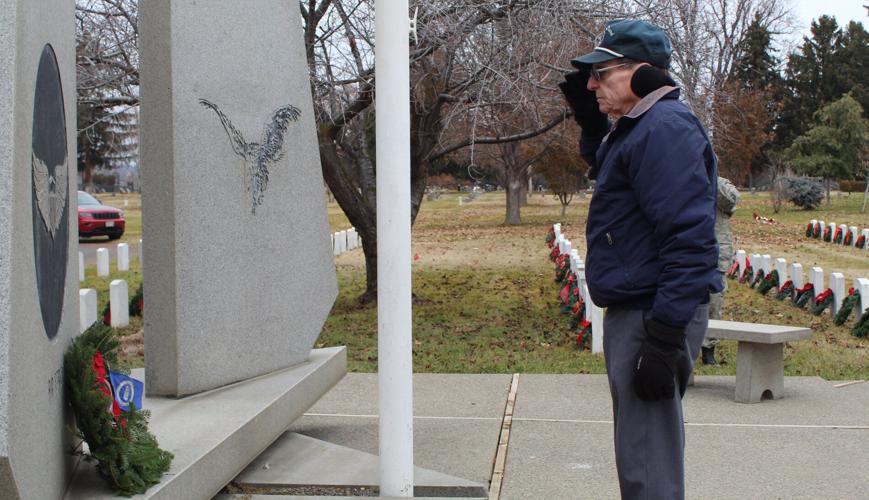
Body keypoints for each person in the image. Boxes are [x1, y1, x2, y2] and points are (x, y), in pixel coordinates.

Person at [559, 19, 721, 499]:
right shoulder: (640, 128)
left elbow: (689, 238)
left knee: (648, 460)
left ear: (642, 73)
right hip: (644, 305)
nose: (590, 85)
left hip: (655, 310)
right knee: (641, 453)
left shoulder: (665, 128)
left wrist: (664, 337)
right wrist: (593, 125)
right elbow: (619, 178)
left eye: (601, 74)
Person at [703, 176, 740, 365]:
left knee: (714, 300)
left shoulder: (720, 184)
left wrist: (710, 176)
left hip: (716, 250)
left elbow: (732, 200)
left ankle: (709, 349)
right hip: (687, 246)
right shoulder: (681, 175)